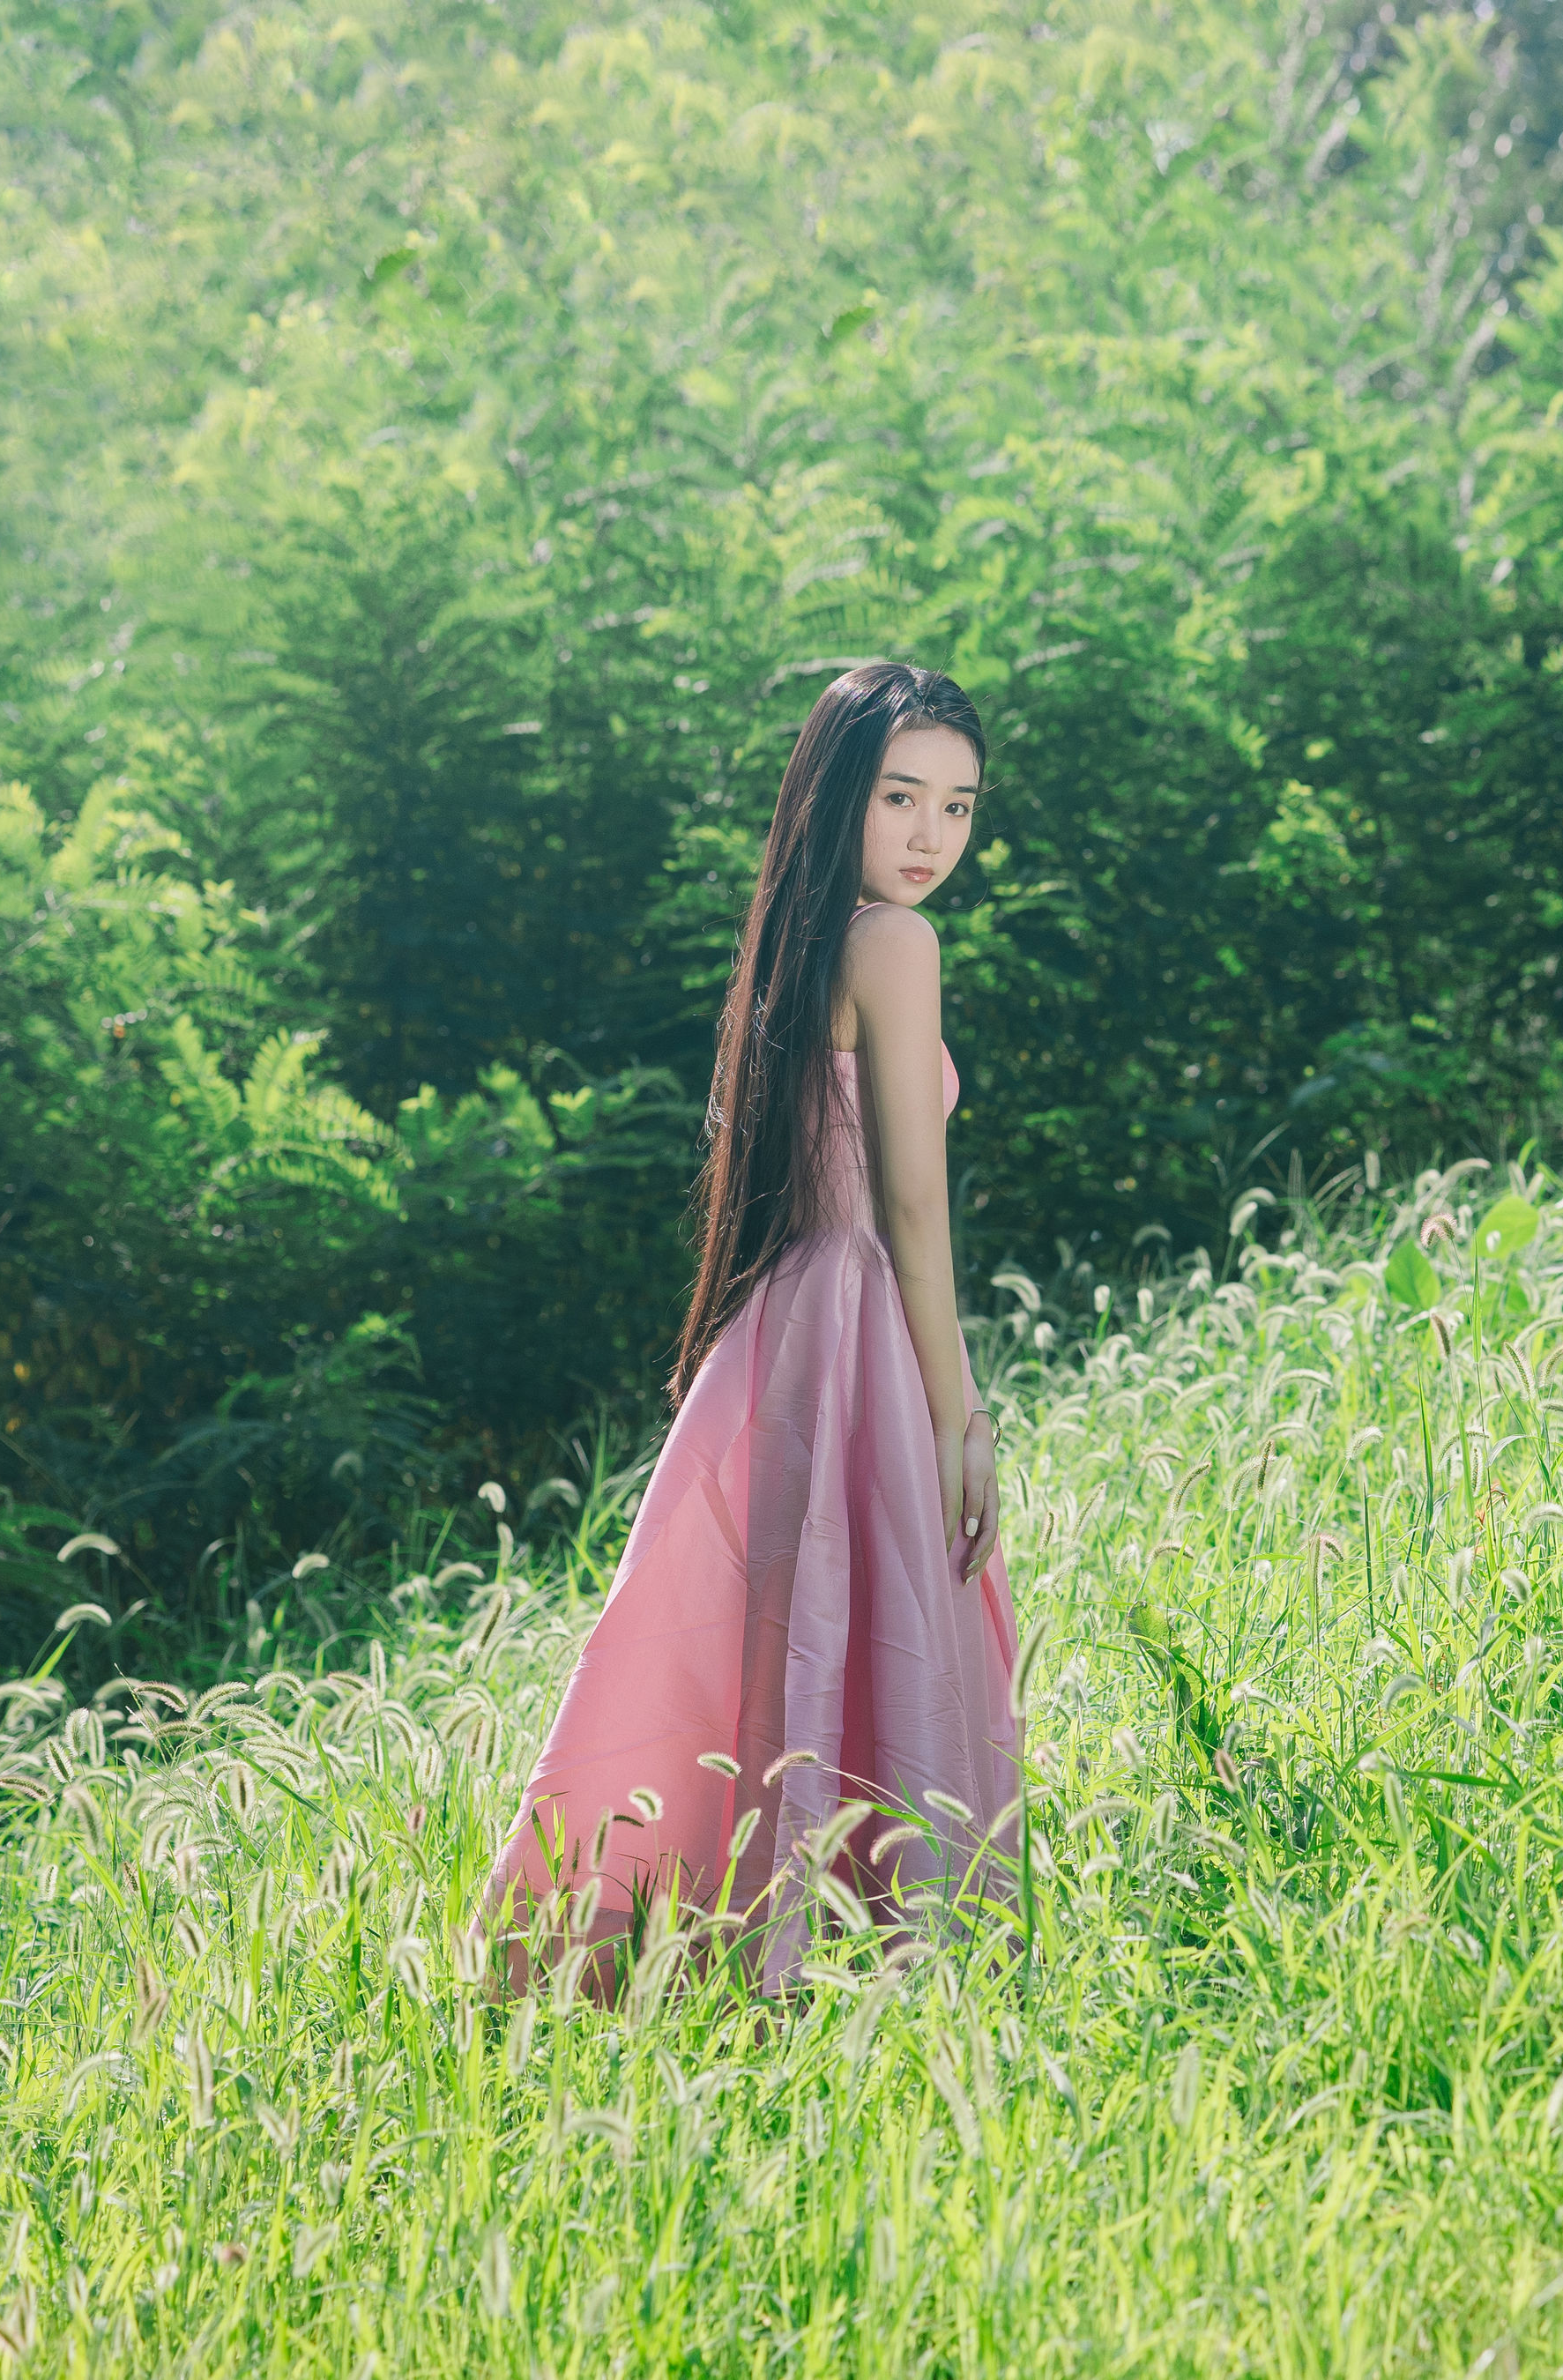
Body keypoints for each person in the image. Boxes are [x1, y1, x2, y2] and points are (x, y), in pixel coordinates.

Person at [482, 662, 1019, 1995]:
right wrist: (964, 1416)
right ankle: (871, 1954)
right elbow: (909, 1203)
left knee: (768, 1648)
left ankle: (699, 1955)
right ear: (837, 797)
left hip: (776, 1335)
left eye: (956, 807)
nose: (929, 837)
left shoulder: (798, 938)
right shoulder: (894, 944)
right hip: (856, 1331)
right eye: (900, 797)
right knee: (878, 1629)